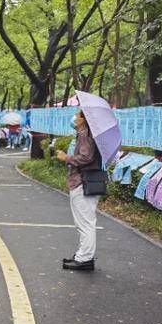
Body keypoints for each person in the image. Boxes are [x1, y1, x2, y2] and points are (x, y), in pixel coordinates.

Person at [56, 111, 101, 271]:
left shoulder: (85, 135)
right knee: (83, 222)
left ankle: (85, 259)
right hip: (82, 182)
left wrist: (66, 158)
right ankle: (82, 254)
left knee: (86, 223)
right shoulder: (85, 134)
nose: (74, 117)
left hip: (83, 182)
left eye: (77, 115)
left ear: (83, 119)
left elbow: (86, 157)